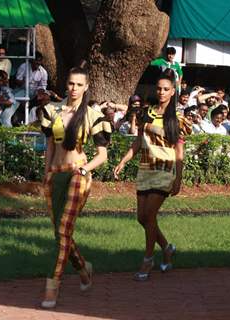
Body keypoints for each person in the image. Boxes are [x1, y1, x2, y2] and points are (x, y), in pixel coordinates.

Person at [39, 66, 112, 308]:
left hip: (78, 174)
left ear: (86, 87)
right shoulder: (52, 110)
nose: (74, 88)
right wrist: (46, 174)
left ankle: (53, 286)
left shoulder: (92, 114)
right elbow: (50, 145)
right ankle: (83, 269)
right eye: (71, 83)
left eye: (79, 84)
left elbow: (102, 155)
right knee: (61, 233)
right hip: (56, 175)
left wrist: (85, 169)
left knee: (62, 231)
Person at [113, 69, 184, 281]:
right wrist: (124, 160)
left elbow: (180, 151)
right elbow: (138, 142)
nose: (161, 92)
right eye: (159, 89)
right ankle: (167, 248)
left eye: (166, 89)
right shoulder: (147, 113)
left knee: (149, 215)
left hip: (165, 171)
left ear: (173, 92)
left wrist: (178, 178)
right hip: (145, 169)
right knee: (142, 218)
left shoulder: (177, 118)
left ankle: (148, 259)